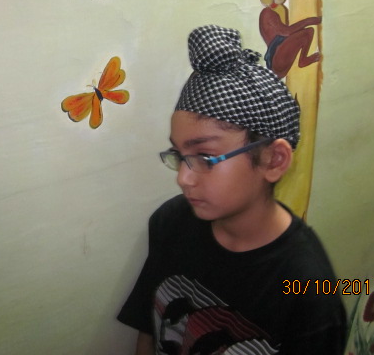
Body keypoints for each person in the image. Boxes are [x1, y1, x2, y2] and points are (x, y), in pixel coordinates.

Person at [118, 25, 347, 354]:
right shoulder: (171, 222)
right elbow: (149, 332)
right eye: (180, 155)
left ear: (273, 160)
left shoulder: (308, 291)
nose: (183, 178)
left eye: (205, 157)